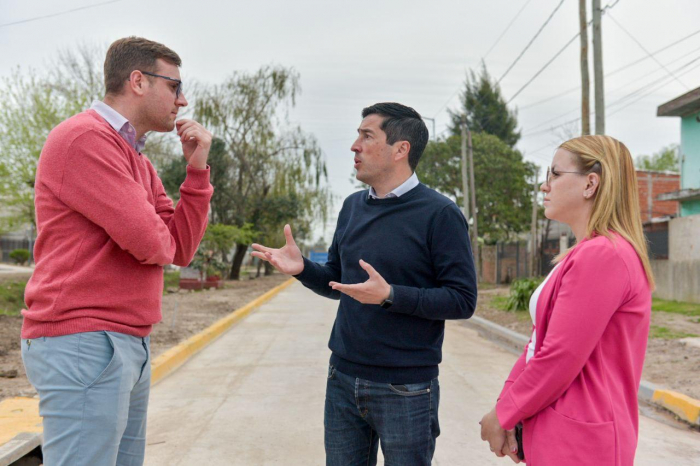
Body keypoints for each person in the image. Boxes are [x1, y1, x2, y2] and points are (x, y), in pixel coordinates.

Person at [20, 37, 214, 466]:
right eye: (175, 87)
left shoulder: (136, 160)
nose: (182, 101)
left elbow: (179, 248)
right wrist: (158, 235)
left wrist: (197, 172)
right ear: (138, 81)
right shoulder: (84, 139)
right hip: (83, 338)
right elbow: (151, 242)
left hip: (126, 340)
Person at [252, 102, 477, 465]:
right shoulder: (352, 206)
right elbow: (337, 283)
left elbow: (462, 300)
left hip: (406, 388)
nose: (354, 146)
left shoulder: (441, 214)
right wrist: (302, 268)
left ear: (400, 149)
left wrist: (390, 296)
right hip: (342, 376)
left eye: (366, 136)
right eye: (358, 135)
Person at [479, 135, 654, 465]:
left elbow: (560, 356)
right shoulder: (585, 253)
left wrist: (503, 414)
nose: (545, 187)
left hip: (581, 443)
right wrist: (509, 405)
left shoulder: (604, 254)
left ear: (591, 184)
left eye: (555, 174)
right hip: (562, 431)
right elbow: (537, 346)